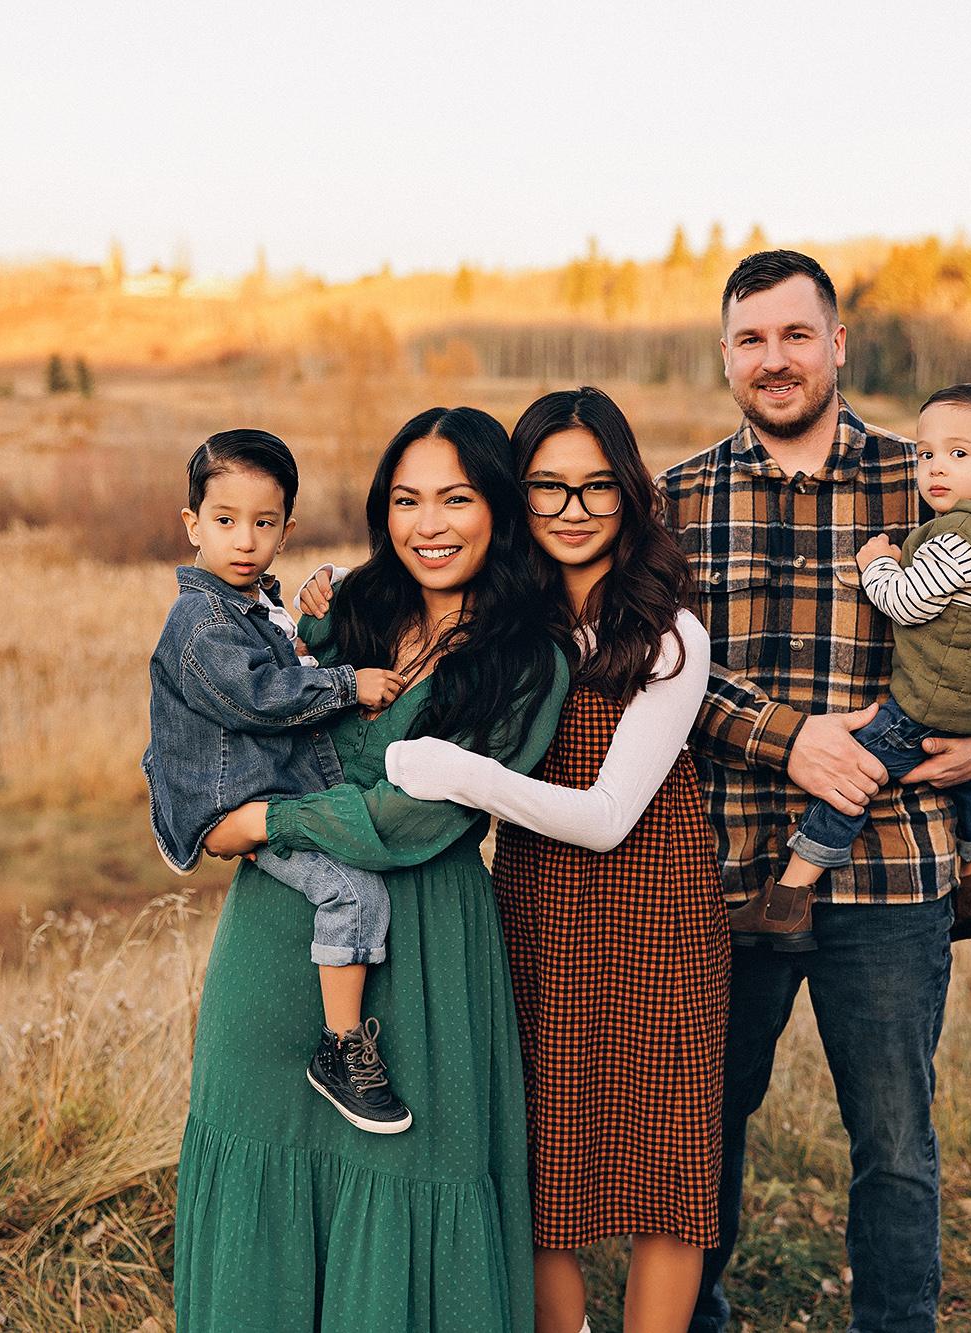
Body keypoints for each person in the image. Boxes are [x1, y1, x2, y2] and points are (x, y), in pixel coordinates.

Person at [664, 252, 971, 1333]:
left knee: (893, 1142)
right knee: (705, 1127)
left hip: (894, 875)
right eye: (751, 338)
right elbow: (654, 672)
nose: (774, 358)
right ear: (725, 354)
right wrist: (787, 740)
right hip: (729, 873)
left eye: (796, 334)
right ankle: (694, 1317)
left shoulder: (929, 474)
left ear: (836, 345)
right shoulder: (678, 499)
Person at [172, 407, 571, 1333]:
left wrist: (264, 819)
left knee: (410, 1174)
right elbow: (236, 708)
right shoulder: (351, 611)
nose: (428, 525)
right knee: (259, 1154)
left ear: (499, 508)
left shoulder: (526, 658)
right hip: (277, 933)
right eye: (406, 500)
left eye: (456, 499)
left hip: (423, 937)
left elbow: (414, 817)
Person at [385, 387, 729, 1333]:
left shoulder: (670, 634)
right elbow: (396, 594)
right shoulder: (505, 622)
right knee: (542, 1160)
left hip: (659, 917)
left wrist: (460, 772)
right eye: (546, 486)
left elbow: (609, 817)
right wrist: (330, 584)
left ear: (630, 492)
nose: (572, 510)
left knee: (668, 1171)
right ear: (518, 496)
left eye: (595, 486)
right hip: (539, 912)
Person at [143, 429, 412, 1133]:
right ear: (192, 523)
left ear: (286, 530)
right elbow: (257, 697)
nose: (245, 540)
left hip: (264, 789)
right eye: (225, 520)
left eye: (264, 524)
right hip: (235, 802)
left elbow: (286, 655)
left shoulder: (256, 602)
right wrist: (348, 684)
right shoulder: (200, 623)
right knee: (352, 891)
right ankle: (342, 1047)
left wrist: (324, 598)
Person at [771, 384, 971, 944]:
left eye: (958, 454)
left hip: (930, 702)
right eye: (926, 453)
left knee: (851, 779)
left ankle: (789, 895)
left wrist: (877, 565)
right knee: (970, 781)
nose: (936, 468)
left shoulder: (958, 537)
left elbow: (907, 603)